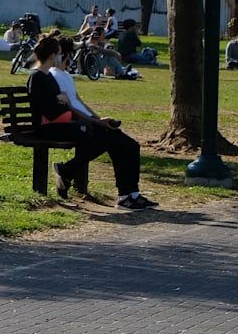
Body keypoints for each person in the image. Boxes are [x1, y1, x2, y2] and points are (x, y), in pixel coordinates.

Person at [27, 34, 155, 210]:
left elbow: (69, 102)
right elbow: (53, 108)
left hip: (69, 122)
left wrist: (97, 119)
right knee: (107, 139)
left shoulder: (52, 76)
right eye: (56, 54)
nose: (58, 57)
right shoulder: (42, 77)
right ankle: (124, 194)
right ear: (53, 55)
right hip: (54, 126)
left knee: (129, 144)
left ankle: (130, 194)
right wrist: (62, 102)